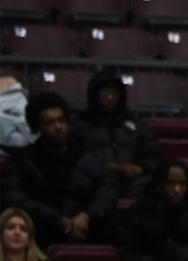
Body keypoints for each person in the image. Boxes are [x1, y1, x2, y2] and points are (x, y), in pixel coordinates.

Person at [2, 95, 114, 244]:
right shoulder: (24, 162)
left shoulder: (88, 157)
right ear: (38, 127)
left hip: (89, 232)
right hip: (40, 235)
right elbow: (16, 197)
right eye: (50, 123)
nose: (58, 127)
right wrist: (55, 219)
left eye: (61, 120)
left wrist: (87, 215)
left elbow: (108, 189)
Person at [76, 68, 163, 198]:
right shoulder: (79, 125)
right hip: (95, 185)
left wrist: (139, 168)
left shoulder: (136, 125)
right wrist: (100, 169)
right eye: (104, 93)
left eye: (114, 93)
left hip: (133, 184)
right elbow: (74, 157)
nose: (110, 98)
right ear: (94, 94)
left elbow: (154, 154)